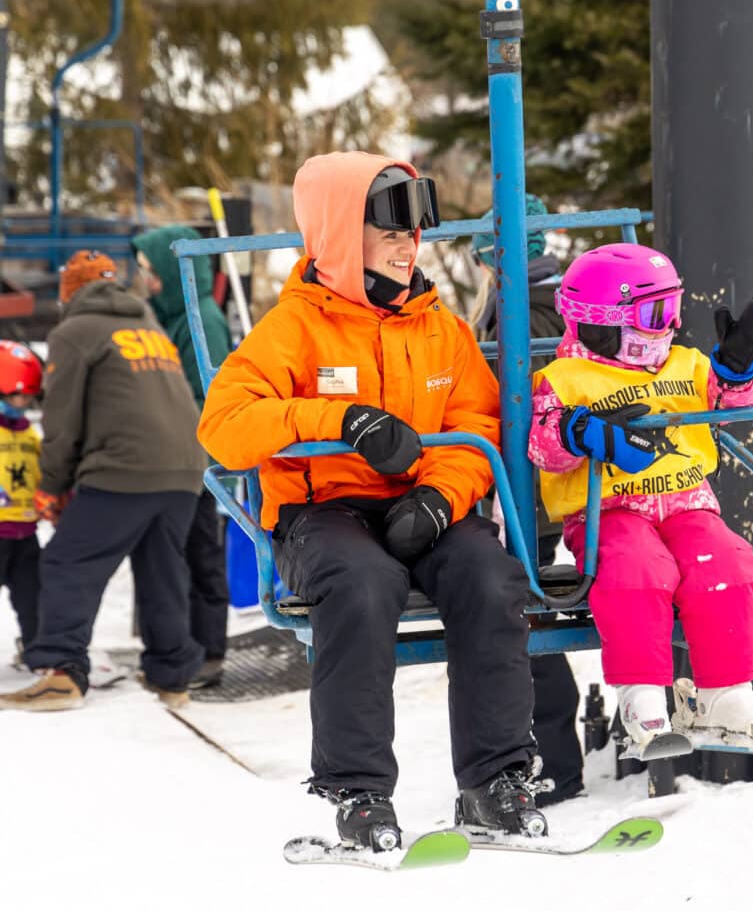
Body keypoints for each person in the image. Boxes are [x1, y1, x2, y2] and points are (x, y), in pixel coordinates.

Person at [196, 152, 546, 852]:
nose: (406, 241)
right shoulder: (294, 327)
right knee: (362, 583)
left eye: (414, 227)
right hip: (324, 513)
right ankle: (358, 792)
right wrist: (338, 420)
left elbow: (478, 419)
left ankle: (495, 782)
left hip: (421, 502)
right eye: (386, 225)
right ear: (335, 233)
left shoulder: (434, 322)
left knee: (491, 575)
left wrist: (443, 499)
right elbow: (224, 426)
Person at [527, 242, 753, 754]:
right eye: (656, 313)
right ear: (606, 322)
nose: (670, 326)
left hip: (687, 503)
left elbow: (731, 403)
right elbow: (543, 446)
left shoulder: (686, 364)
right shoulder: (564, 380)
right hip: (607, 513)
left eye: (673, 308)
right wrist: (580, 433)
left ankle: (725, 695)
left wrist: (739, 371)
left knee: (727, 561)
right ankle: (643, 697)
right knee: (637, 568)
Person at [0, 250, 207, 713]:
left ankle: (60, 672)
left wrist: (52, 485)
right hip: (185, 469)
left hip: (124, 468)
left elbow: (62, 421)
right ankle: (171, 677)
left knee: (66, 562)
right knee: (161, 569)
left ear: (69, 291)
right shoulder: (148, 329)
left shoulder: (75, 332)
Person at [469, 198, 585, 808]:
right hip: (526, 491)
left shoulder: (531, 310)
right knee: (524, 626)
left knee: (526, 629)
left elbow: (527, 396)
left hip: (529, 494)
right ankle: (551, 763)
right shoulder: (539, 300)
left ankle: (557, 768)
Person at [133, 224, 233, 687]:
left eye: (150, 271)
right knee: (172, 556)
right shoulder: (161, 314)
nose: (144, 280)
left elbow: (207, 395)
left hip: (190, 459)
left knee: (198, 554)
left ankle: (207, 650)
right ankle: (177, 645)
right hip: (165, 454)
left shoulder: (202, 320)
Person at [0, 341, 44, 666]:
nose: (21, 403)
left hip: (26, 534)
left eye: (26, 397)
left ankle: (37, 650)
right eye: (14, 396)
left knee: (33, 600)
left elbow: (41, 474)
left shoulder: (31, 436)